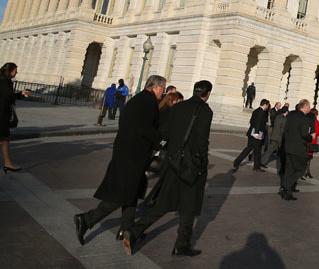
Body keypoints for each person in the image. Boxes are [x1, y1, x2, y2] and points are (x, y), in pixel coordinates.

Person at [123, 80, 214, 257]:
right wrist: (202, 164)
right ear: (207, 93)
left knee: (163, 203)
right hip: (191, 165)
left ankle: (135, 230)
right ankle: (182, 244)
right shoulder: (205, 111)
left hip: (173, 162)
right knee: (189, 205)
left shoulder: (179, 107)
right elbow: (202, 141)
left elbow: (165, 132)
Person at [74, 75, 165, 246]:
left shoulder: (138, 99)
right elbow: (146, 128)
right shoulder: (148, 101)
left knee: (132, 191)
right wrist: (160, 141)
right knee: (122, 193)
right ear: (156, 87)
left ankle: (126, 229)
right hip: (132, 154)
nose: (164, 93)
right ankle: (86, 219)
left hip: (127, 151)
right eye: (163, 89)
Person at [280, 99, 315, 201]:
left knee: (289, 169)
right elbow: (304, 134)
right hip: (298, 148)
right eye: (309, 107)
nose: (309, 108)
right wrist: (311, 137)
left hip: (288, 146)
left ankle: (288, 193)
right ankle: (286, 185)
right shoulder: (303, 118)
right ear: (304, 107)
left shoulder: (290, 114)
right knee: (301, 169)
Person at [233, 99, 270, 172]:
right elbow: (258, 123)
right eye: (267, 105)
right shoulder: (261, 112)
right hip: (257, 134)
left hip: (251, 133)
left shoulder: (256, 111)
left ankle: (237, 161)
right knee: (258, 151)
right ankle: (256, 167)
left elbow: (251, 121)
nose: (267, 107)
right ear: (265, 104)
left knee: (249, 148)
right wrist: (256, 133)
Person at [1, 62, 23, 173]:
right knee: (5, 138)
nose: (16, 72)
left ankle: (8, 163)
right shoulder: (4, 82)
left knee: (6, 138)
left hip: (3, 115)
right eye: (15, 70)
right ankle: (8, 163)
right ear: (10, 71)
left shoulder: (5, 81)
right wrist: (21, 94)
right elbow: (8, 96)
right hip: (1, 115)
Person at [261, 102, 287, 168]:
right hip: (279, 137)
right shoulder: (284, 119)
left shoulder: (278, 116)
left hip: (274, 135)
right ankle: (283, 166)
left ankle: (262, 161)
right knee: (282, 152)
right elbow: (282, 129)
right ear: (286, 112)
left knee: (269, 150)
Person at [304, 108, 319, 179]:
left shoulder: (305, 119)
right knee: (308, 158)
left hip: (305, 140)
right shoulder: (315, 121)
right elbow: (318, 132)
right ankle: (307, 172)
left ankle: (307, 172)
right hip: (312, 142)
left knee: (305, 157)